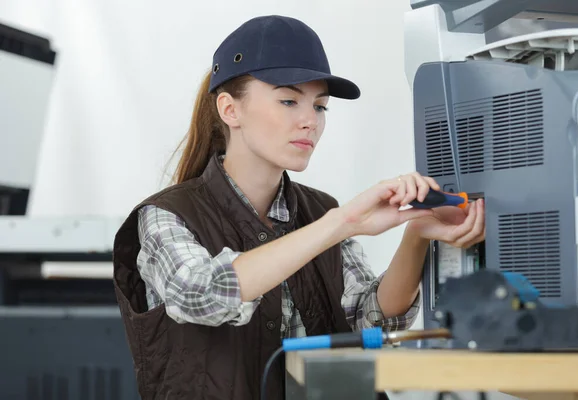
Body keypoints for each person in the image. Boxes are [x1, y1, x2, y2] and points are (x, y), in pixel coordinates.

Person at [112, 14, 485, 400]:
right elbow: (202, 293)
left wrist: (417, 232)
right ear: (229, 109)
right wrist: (343, 222)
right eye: (289, 100)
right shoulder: (165, 216)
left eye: (320, 106)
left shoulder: (321, 211)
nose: (310, 121)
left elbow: (371, 317)